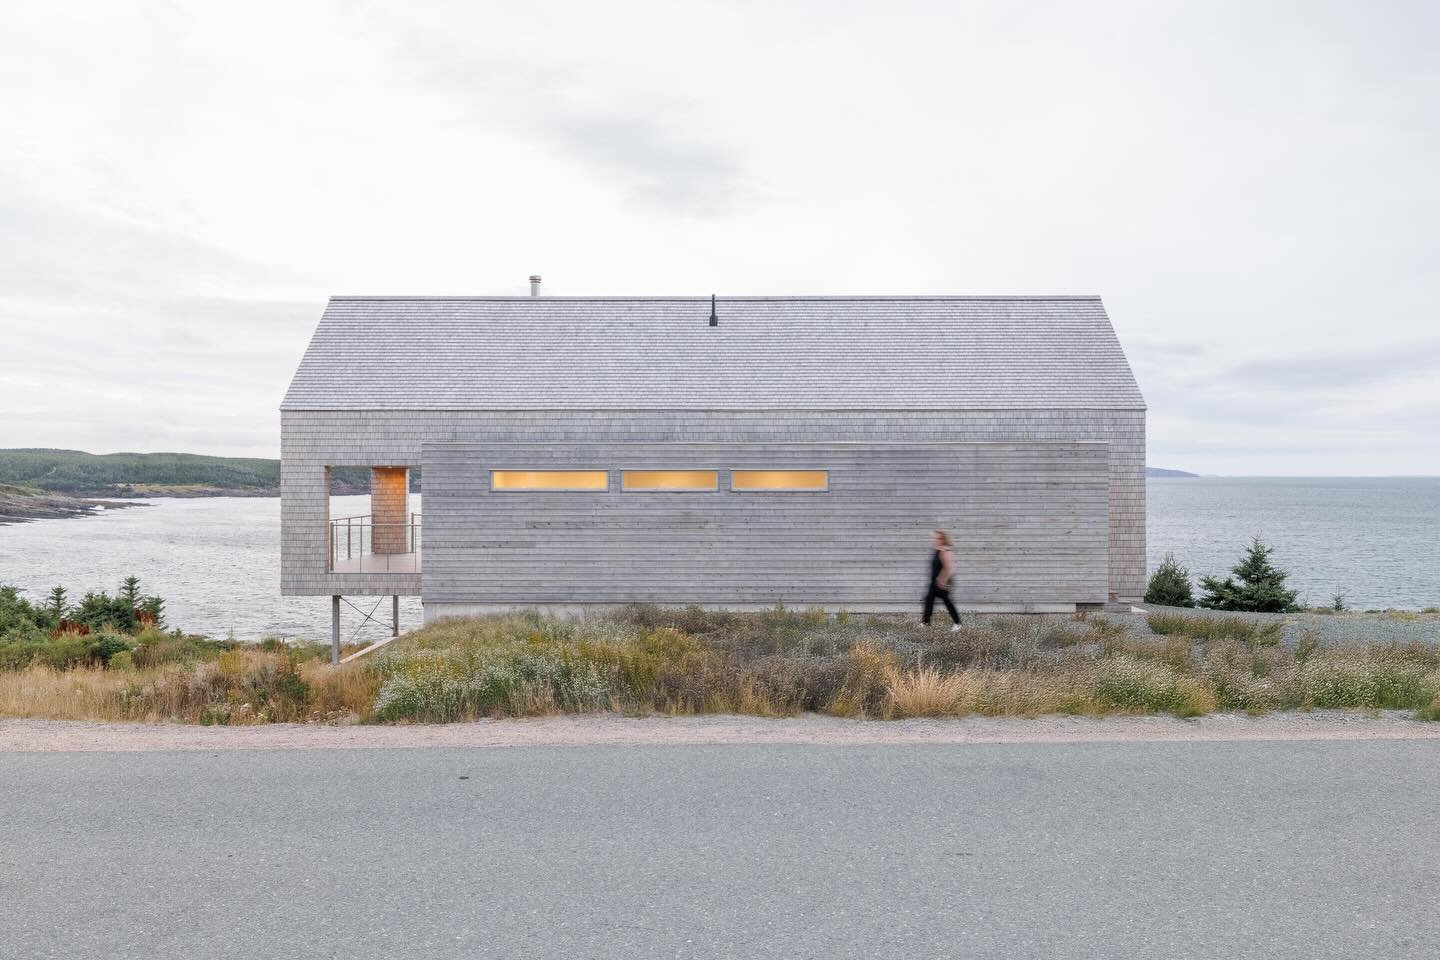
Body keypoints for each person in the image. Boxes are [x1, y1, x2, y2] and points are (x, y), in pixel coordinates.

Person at [923, 530, 962, 631]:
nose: (934, 540)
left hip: (942, 582)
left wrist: (943, 581)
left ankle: (957, 623)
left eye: (937, 538)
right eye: (934, 538)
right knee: (929, 600)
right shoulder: (937, 549)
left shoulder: (945, 550)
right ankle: (926, 622)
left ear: (943, 539)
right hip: (934, 582)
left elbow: (950, 568)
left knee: (947, 602)